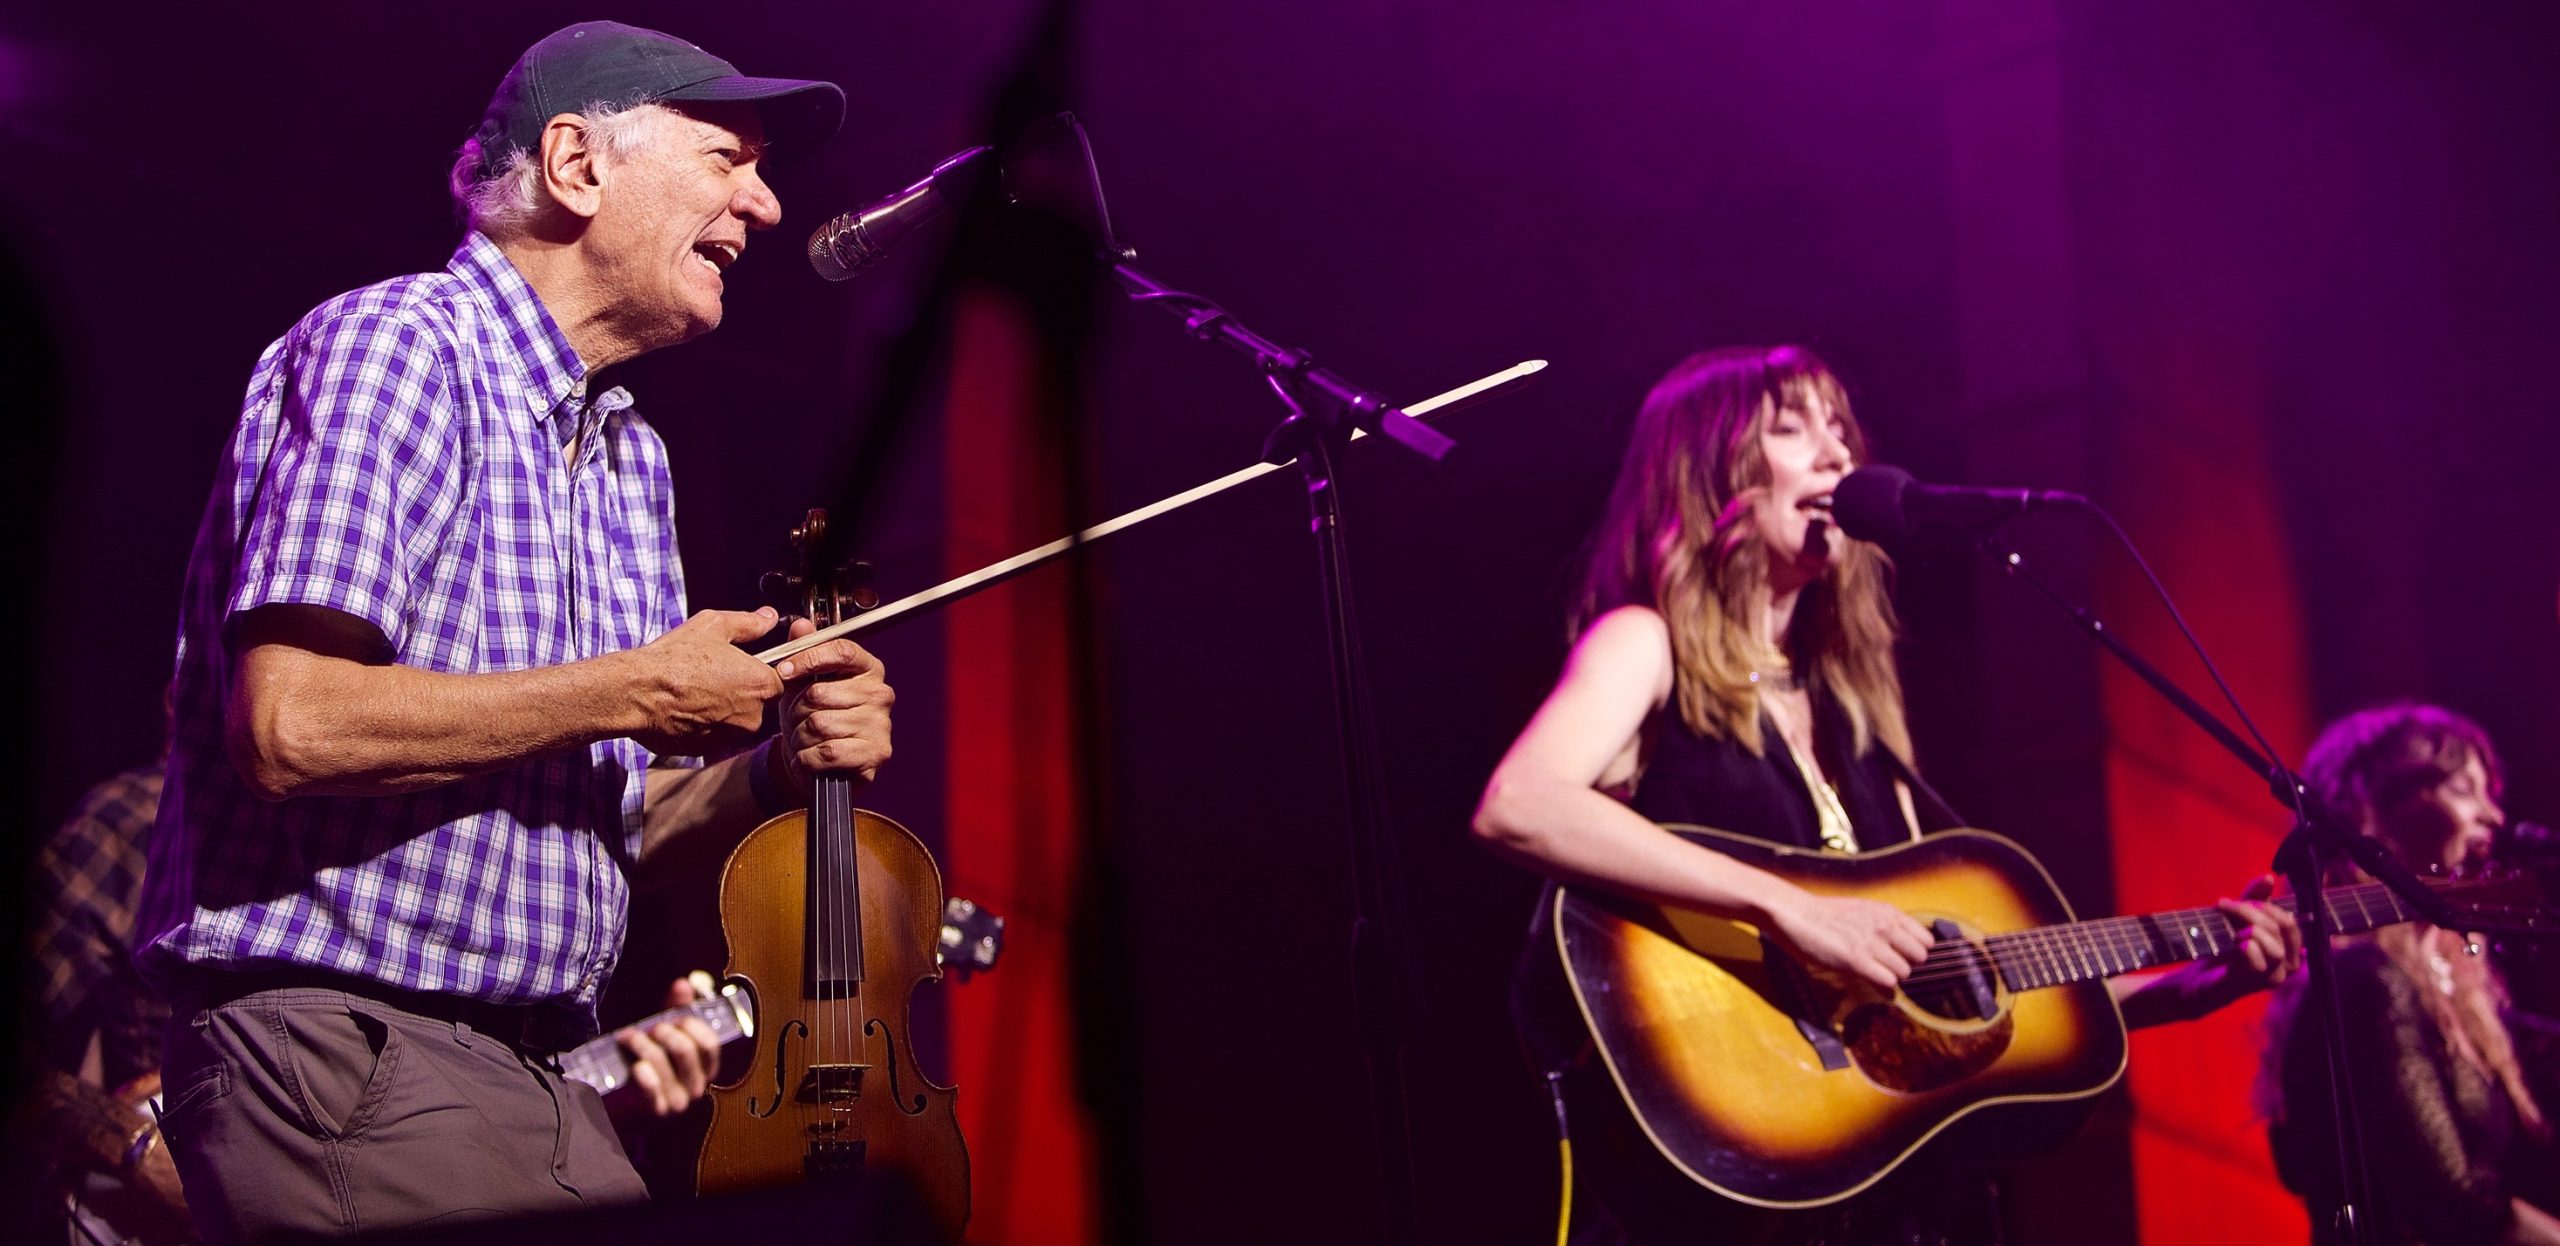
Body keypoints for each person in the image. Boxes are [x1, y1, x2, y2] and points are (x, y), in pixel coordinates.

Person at [131, 22, 890, 1244]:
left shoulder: (627, 454)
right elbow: (290, 723)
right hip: (349, 1047)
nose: (764, 198)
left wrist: (773, 769)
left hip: (536, 1070)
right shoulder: (399, 347)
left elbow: (608, 816)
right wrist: (641, 687)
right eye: (722, 157)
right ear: (578, 165)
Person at [1472, 345, 2303, 1243]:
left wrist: (2182, 990)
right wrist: (1790, 910)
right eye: (1793, 429)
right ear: (1706, 470)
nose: (1837, 456)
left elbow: (1965, 1007)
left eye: (1842, 432)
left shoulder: (1858, 725)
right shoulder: (1644, 644)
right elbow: (1520, 802)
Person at [2259, 704, 2560, 1245]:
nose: (2493, 815)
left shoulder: (2466, 1002)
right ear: (2376, 810)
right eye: (2464, 790)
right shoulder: (2366, 983)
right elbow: (2451, 1205)